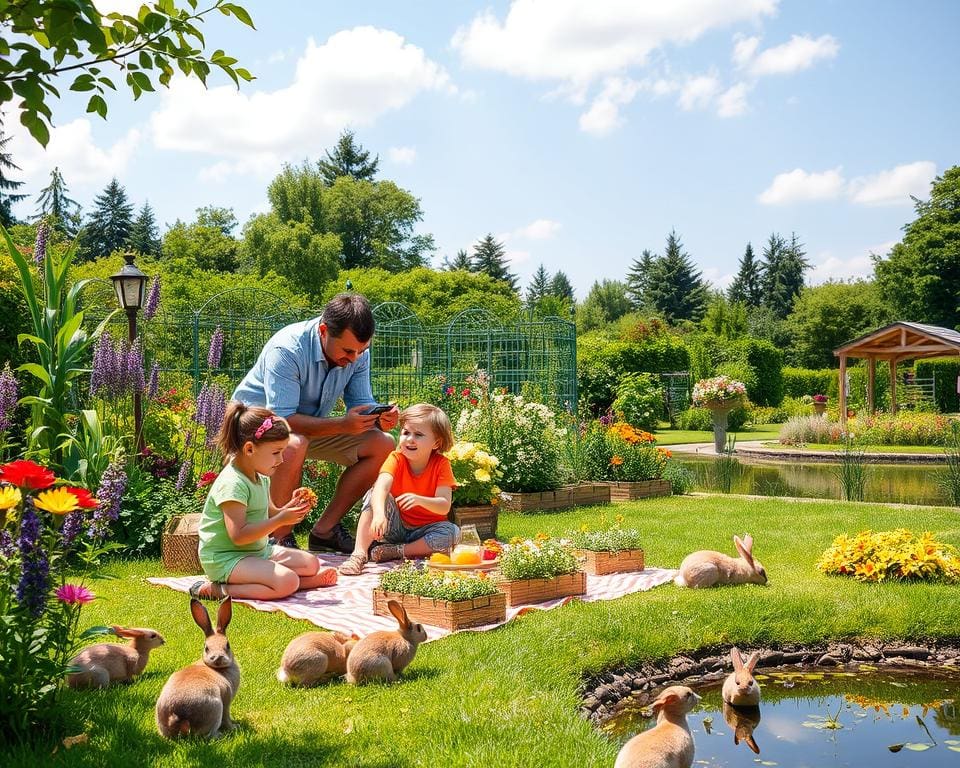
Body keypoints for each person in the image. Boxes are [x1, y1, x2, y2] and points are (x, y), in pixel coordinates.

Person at [232, 293, 399, 554]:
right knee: (292, 445)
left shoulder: (356, 354)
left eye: (361, 351)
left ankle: (325, 531)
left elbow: (360, 403)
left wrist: (378, 419)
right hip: (255, 431)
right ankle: (278, 539)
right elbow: (282, 420)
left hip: (309, 428)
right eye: (348, 351)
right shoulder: (287, 349)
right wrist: (344, 425)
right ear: (323, 331)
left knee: (383, 444)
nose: (354, 358)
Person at [190, 402, 339, 600]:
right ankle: (216, 589)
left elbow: (269, 513)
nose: (281, 460)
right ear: (250, 449)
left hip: (257, 551)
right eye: (276, 452)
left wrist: (290, 509)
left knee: (311, 563)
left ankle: (295, 582)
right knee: (286, 581)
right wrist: (281, 520)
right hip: (227, 558)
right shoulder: (233, 484)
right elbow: (239, 536)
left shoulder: (261, 477)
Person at [339, 404, 460, 576]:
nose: (409, 439)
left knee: (453, 533)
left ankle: (397, 551)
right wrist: (380, 514)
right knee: (375, 494)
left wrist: (420, 500)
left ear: (436, 443)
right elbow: (382, 486)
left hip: (426, 531)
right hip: (395, 526)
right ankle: (358, 555)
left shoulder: (441, 464)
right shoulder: (396, 458)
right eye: (405, 433)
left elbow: (444, 506)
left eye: (418, 435)